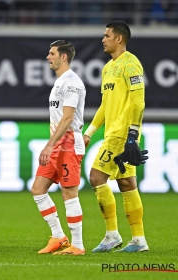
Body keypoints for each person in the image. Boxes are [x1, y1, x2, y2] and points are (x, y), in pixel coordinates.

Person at [83, 21, 149, 253]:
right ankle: (139, 240)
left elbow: (138, 101)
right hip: (113, 132)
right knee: (126, 184)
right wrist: (89, 132)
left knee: (96, 176)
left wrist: (132, 135)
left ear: (119, 38)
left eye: (107, 35)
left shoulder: (131, 64)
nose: (103, 39)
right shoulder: (108, 68)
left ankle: (112, 234)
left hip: (122, 134)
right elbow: (104, 105)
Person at [31, 40, 86, 256]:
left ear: (63, 57)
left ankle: (78, 245)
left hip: (69, 145)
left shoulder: (71, 82)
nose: (48, 57)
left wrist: (49, 145)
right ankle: (58, 236)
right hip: (58, 146)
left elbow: (68, 118)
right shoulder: (60, 82)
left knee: (69, 193)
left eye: (51, 53)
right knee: (38, 189)